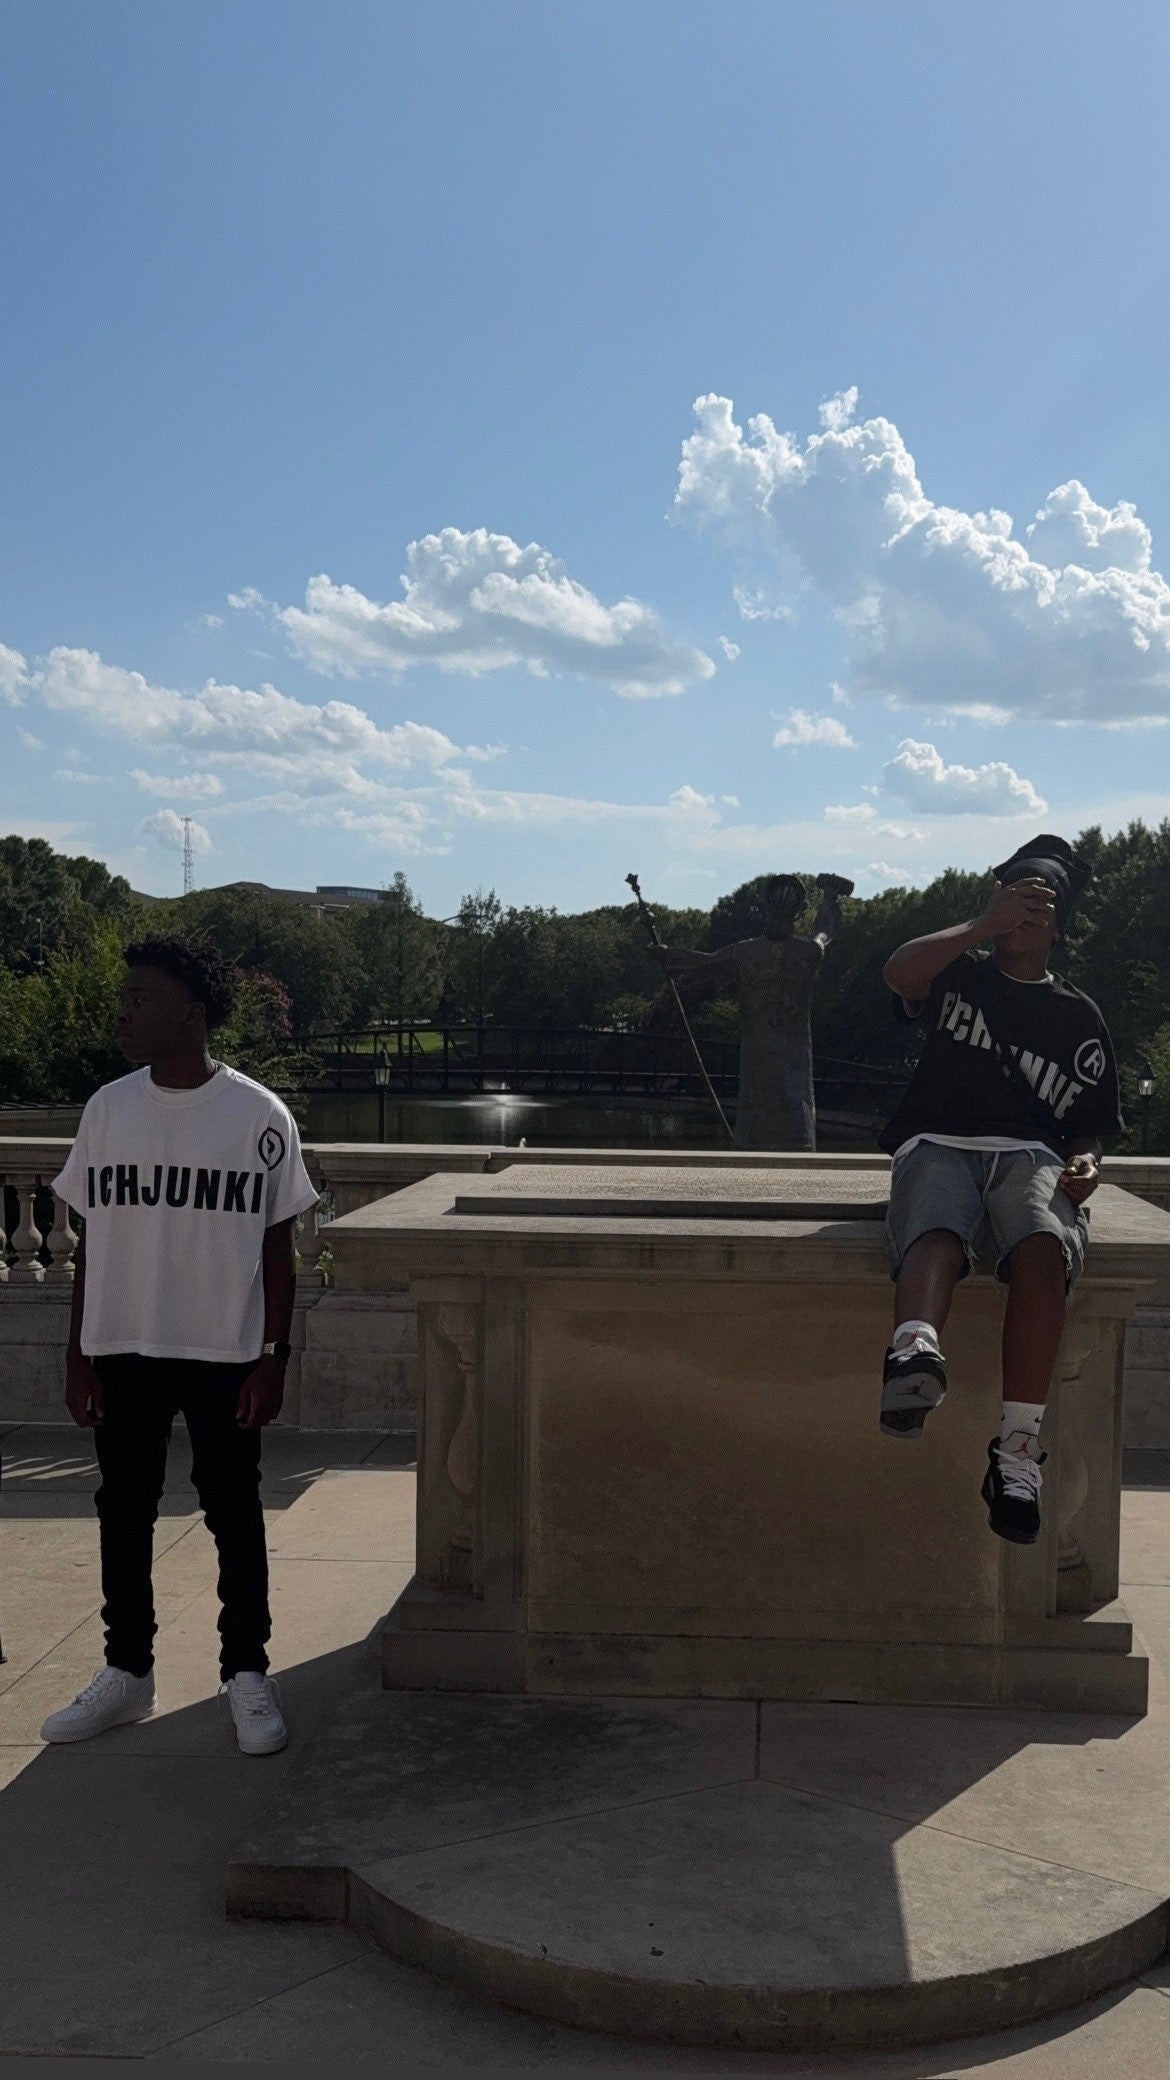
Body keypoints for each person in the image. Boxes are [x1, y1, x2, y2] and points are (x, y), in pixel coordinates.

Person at [41, 934, 318, 1754]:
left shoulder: (258, 1116)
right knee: (123, 1509)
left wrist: (273, 1358)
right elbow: (92, 1239)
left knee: (233, 1511)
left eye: (140, 999)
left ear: (190, 1012)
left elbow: (279, 1250)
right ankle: (128, 1671)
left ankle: (247, 1672)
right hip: (124, 1343)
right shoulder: (107, 1109)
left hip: (224, 1349)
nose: (122, 1012)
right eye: (123, 998)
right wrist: (78, 1352)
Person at [877, 835, 1122, 1545]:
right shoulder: (958, 974)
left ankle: (1017, 1452)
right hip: (938, 1138)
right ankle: (913, 1350)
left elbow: (1089, 1124)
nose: (1024, 915)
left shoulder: (1079, 1016)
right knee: (937, 1222)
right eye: (1015, 899)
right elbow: (899, 972)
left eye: (1039, 907)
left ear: (1060, 928)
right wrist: (981, 925)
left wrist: (1087, 1162)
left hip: (1030, 1154)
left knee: (1045, 1242)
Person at [649, 873, 853, 1150]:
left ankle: (768, 1152)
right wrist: (829, 898)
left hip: (772, 1048)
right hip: (778, 1049)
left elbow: (704, 963)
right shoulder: (804, 951)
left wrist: (668, 956)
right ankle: (787, 1152)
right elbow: (826, 928)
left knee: (773, 1107)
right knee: (782, 1107)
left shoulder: (754, 952)